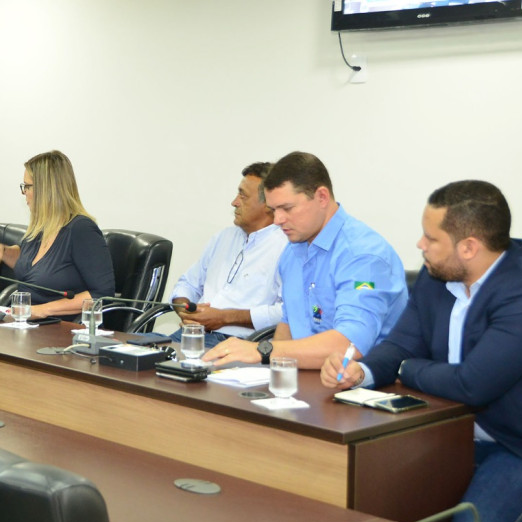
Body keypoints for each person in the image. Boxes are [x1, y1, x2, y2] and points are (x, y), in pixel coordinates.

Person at [321, 180, 522, 522]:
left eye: (430, 238)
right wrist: (363, 371)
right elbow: (402, 342)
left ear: (469, 247)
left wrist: (406, 370)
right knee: (380, 506)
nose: (420, 245)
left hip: (518, 443)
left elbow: (473, 385)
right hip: (449, 433)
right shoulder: (439, 276)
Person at [203, 151, 407, 369]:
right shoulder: (293, 251)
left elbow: (350, 346)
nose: (278, 220)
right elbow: (288, 326)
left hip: (362, 387)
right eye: (273, 210)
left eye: (287, 208)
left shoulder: (363, 256)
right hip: (304, 378)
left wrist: (262, 351)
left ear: (321, 197)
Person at [0, 150, 115, 321]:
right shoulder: (40, 228)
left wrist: (41, 310)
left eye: (27, 186)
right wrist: (3, 251)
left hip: (61, 332)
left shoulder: (82, 230)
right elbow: (35, 268)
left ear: (46, 190)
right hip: (25, 326)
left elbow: (102, 294)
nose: (24, 193)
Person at [167, 161, 286, 348]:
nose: (234, 202)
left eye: (243, 196)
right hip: (191, 333)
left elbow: (285, 312)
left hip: (238, 344)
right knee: (133, 350)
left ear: (268, 204)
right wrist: (187, 311)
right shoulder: (224, 237)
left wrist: (224, 318)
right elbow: (187, 284)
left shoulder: (286, 246)